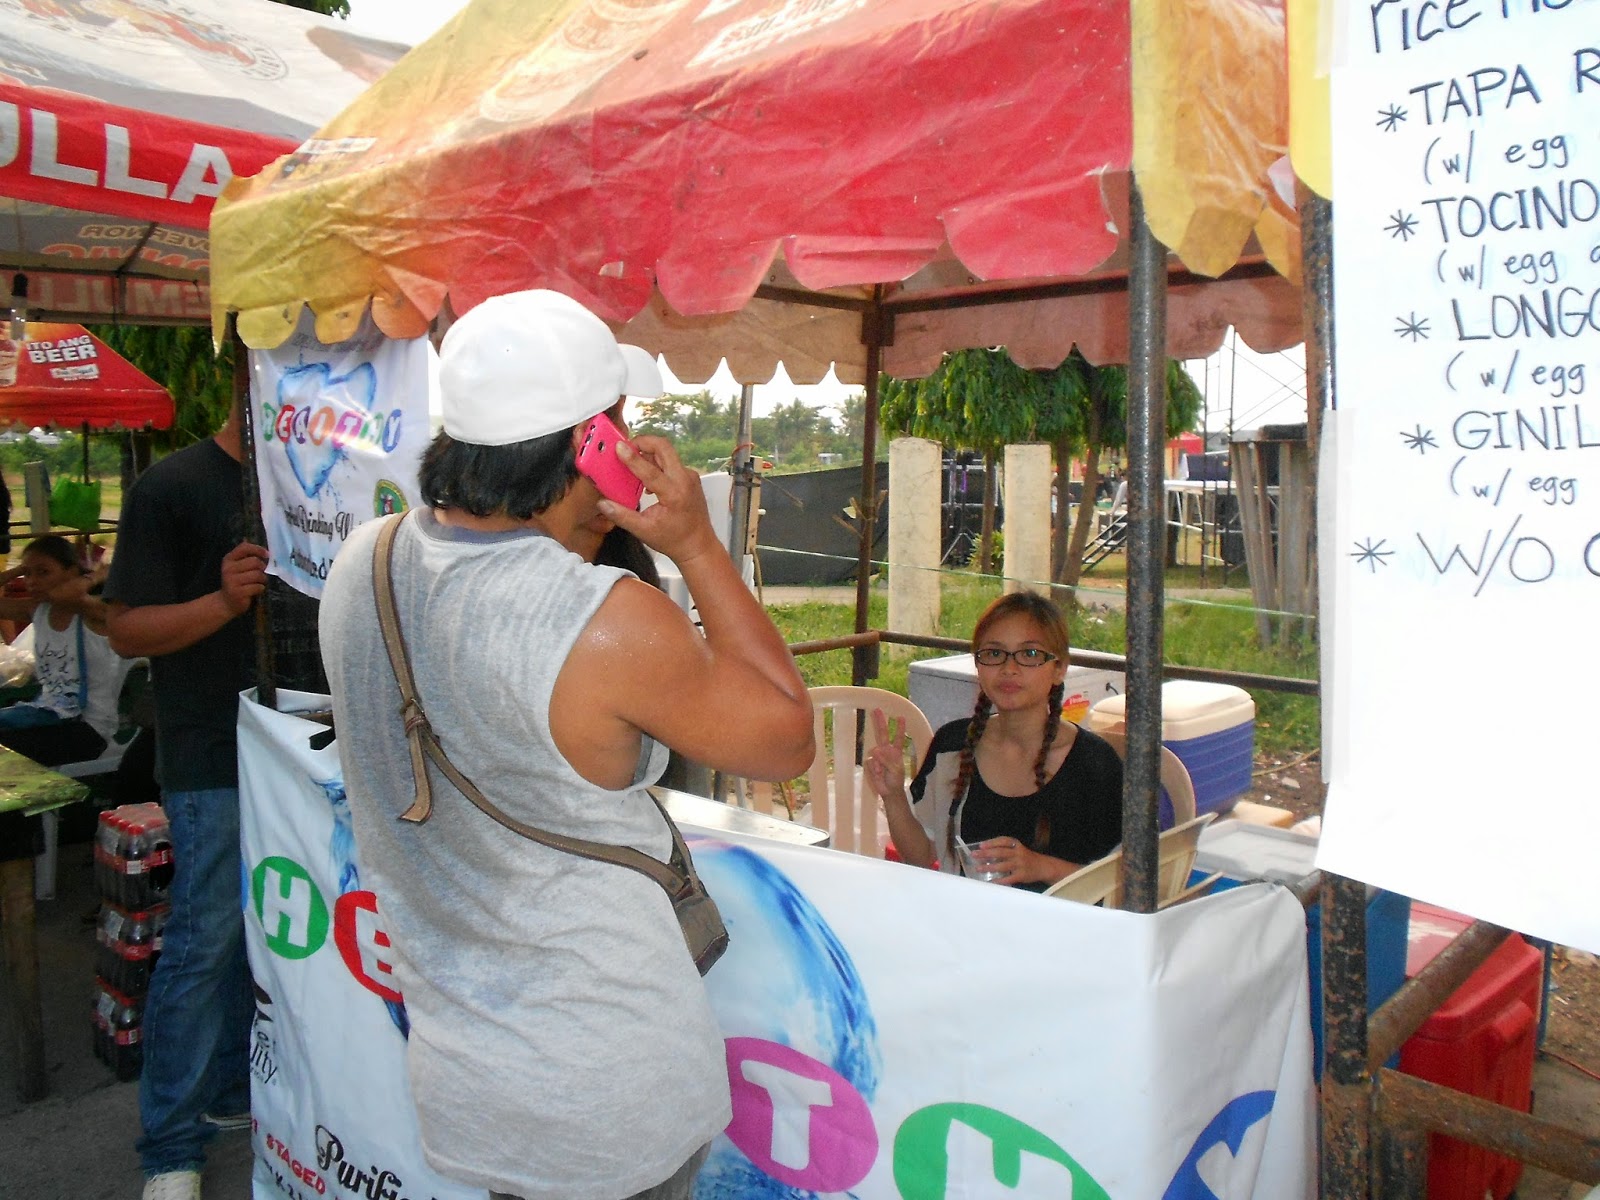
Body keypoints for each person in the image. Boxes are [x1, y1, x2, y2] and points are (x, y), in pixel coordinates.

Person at [319, 288, 814, 1200]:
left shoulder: (365, 564)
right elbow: (786, 738)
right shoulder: (607, 620)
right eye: (618, 427)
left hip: (468, 1078)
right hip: (607, 1089)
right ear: (591, 442)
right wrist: (698, 545)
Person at [103, 400, 269, 1200]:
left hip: (300, 751)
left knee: (260, 933)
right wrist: (222, 603)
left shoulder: (321, 486)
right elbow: (126, 630)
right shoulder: (171, 486)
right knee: (204, 941)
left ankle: (233, 1091)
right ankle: (169, 1149)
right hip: (210, 755)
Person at [866, 591, 1124, 893]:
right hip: (967, 917)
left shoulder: (1094, 764)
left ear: (1059, 668)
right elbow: (921, 856)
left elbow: (1126, 885)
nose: (1009, 669)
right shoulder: (953, 746)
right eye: (993, 653)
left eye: (1030, 654)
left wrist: (1041, 867)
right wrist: (893, 795)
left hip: (1063, 922)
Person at [0, 535, 126, 867]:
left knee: (6, 756)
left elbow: (63, 596)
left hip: (89, 729)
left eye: (43, 572)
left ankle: (20, 862)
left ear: (71, 572)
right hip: (48, 717)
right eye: (28, 573)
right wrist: (15, 573)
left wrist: (93, 577)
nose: (32, 582)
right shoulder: (39, 610)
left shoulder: (93, 613)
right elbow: (54, 594)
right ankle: (16, 856)